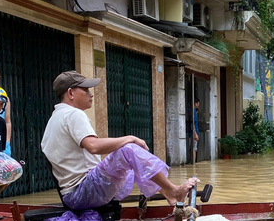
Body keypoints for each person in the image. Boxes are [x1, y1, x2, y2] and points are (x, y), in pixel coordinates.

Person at [41, 71, 198, 210]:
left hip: (72, 196)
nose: (91, 94)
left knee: (134, 162)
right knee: (128, 150)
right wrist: (130, 138)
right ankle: (174, 191)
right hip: (84, 192)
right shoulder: (73, 114)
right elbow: (93, 146)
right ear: (70, 93)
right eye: (86, 90)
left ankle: (168, 193)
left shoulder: (55, 119)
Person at [190, 97, 200, 163]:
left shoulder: (192, 111)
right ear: (195, 104)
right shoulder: (193, 111)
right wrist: (195, 134)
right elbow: (193, 123)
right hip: (194, 133)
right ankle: (194, 163)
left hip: (192, 133)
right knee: (194, 148)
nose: (198, 105)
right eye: (198, 103)